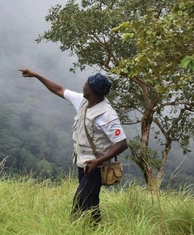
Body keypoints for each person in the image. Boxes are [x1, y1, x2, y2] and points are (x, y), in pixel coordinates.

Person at [18, 68, 128, 223]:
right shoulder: (84, 102)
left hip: (97, 167)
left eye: (86, 85)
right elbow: (59, 90)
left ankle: (74, 228)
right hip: (83, 163)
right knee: (91, 202)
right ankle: (97, 228)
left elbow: (122, 143)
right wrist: (36, 75)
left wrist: (98, 161)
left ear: (92, 92)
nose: (83, 86)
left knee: (80, 202)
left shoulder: (106, 115)